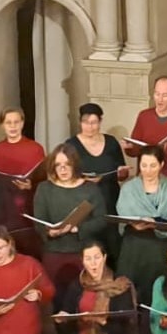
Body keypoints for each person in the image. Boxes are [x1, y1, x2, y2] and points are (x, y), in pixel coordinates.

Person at [33, 144, 109, 303]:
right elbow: (38, 222)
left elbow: (101, 220)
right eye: (58, 165)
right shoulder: (44, 189)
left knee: (84, 299)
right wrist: (49, 231)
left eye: (67, 164)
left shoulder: (89, 189)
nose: (63, 169)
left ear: (75, 164)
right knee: (57, 298)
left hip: (83, 253)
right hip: (54, 251)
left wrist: (77, 229)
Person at [115, 145, 167, 306]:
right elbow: (122, 216)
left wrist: (156, 223)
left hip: (160, 247)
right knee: (128, 297)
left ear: (161, 165)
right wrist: (137, 223)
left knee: (157, 295)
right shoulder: (128, 188)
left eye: (153, 165)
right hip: (133, 246)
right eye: (144, 165)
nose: (148, 170)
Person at [68, 103, 129, 258]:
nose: (90, 127)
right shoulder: (71, 145)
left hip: (109, 200)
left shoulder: (111, 142)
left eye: (94, 122)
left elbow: (120, 173)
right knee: (90, 247)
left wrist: (122, 173)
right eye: (86, 122)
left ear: (100, 122)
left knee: (112, 245)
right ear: (80, 122)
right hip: (84, 203)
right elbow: (66, 175)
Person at [0, 107, 47, 256]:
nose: (13, 126)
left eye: (16, 122)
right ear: (2, 125)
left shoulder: (35, 149)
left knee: (30, 251)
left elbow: (44, 180)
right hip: (4, 209)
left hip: (29, 206)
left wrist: (31, 185)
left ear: (22, 123)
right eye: (8, 123)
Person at [125, 76, 167, 184]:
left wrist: (160, 148)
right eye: (157, 94)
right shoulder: (144, 116)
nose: (160, 99)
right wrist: (129, 147)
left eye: (165, 95)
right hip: (145, 178)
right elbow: (134, 151)